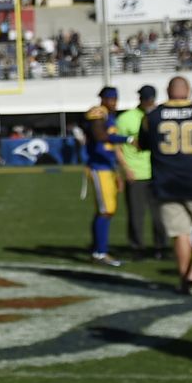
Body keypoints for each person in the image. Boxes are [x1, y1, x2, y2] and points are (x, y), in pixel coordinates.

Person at [138, 75, 192, 295]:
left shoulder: (152, 116)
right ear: (188, 91)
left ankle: (184, 279)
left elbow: (143, 145)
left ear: (167, 91)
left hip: (166, 182)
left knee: (180, 233)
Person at [115, 84, 161, 258]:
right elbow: (117, 147)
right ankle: (137, 248)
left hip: (157, 171)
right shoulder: (126, 118)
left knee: (160, 215)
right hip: (136, 172)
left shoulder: (158, 116)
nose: (147, 102)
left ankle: (160, 247)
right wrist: (126, 169)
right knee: (136, 214)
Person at [81, 86, 124, 266]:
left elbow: (109, 146)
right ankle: (100, 252)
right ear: (103, 99)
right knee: (106, 211)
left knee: (106, 210)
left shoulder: (110, 116)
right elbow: (99, 136)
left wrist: (118, 171)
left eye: (115, 99)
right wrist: (127, 139)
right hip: (98, 167)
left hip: (108, 167)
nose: (113, 102)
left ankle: (98, 249)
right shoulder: (98, 113)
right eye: (110, 99)